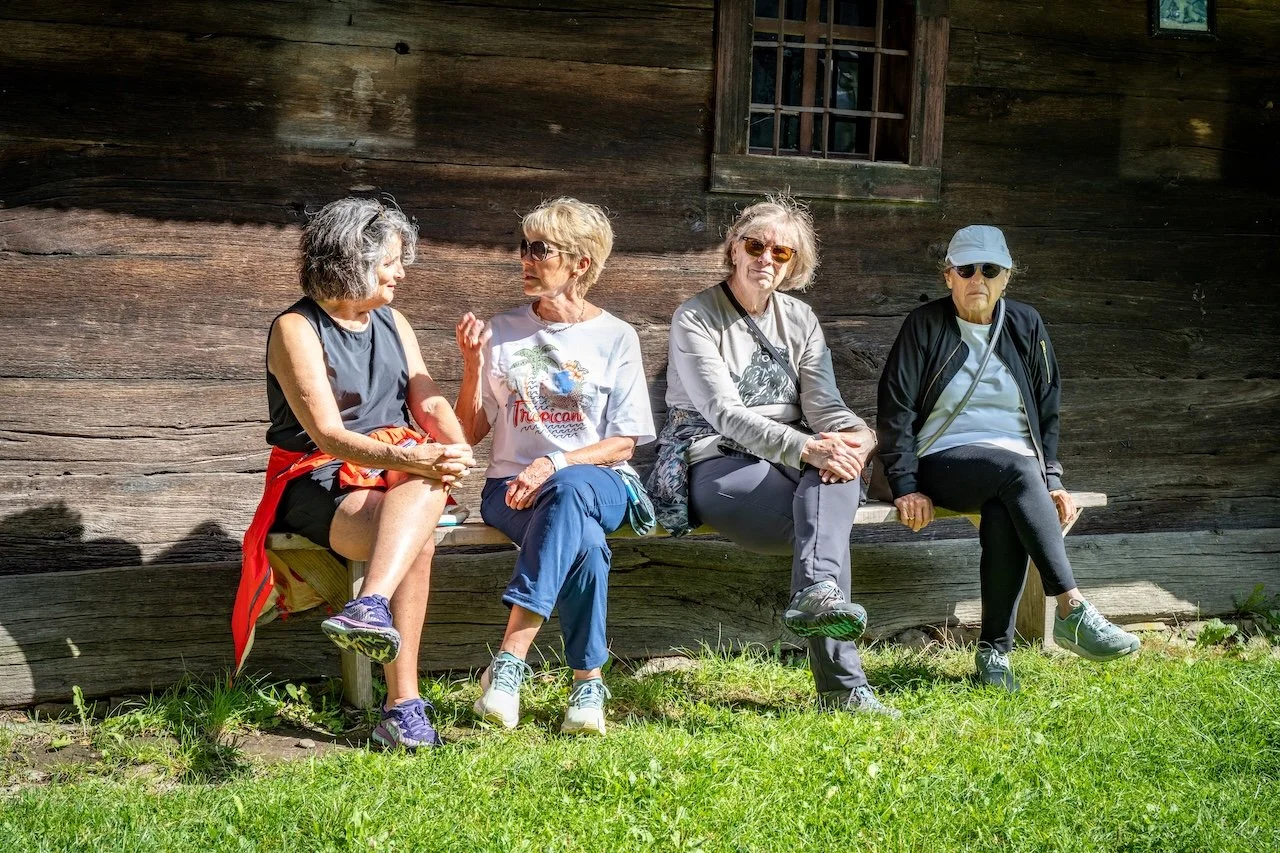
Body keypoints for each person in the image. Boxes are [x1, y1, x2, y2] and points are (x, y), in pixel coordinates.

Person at [233, 197, 475, 750]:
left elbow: (429, 400)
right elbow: (327, 435)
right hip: (316, 477)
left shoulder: (394, 321)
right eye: (391, 260)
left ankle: (371, 607)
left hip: (396, 476)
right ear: (353, 261)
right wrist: (420, 460)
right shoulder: (296, 327)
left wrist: (457, 449)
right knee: (419, 533)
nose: (401, 271)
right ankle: (403, 706)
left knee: (421, 503)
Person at [649, 195, 897, 718]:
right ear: (734, 249)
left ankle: (826, 619)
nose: (766, 259)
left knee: (838, 478)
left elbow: (824, 405)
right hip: (718, 459)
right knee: (825, 526)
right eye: (756, 245)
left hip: (795, 457)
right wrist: (811, 447)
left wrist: (862, 437)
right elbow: (723, 412)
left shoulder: (801, 318)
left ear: (794, 265)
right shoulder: (696, 317)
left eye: (781, 253)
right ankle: (843, 686)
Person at [877, 224, 1140, 692]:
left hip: (1014, 475)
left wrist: (1053, 479)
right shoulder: (924, 324)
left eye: (990, 269)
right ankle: (1073, 608)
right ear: (948, 278)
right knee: (1015, 471)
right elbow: (895, 406)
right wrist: (905, 483)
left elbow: (1047, 403)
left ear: (1006, 279)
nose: (978, 278)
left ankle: (993, 652)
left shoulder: (1025, 323)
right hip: (941, 460)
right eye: (966, 269)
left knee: (1005, 504)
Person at [454, 197, 655, 736]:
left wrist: (553, 460)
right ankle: (587, 684)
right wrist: (473, 367)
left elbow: (624, 442)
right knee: (584, 544)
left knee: (567, 489)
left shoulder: (617, 336)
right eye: (523, 247)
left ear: (580, 264)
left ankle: (510, 662)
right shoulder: (503, 330)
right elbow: (470, 433)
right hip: (510, 491)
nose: (524, 258)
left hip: (601, 482)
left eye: (538, 249)